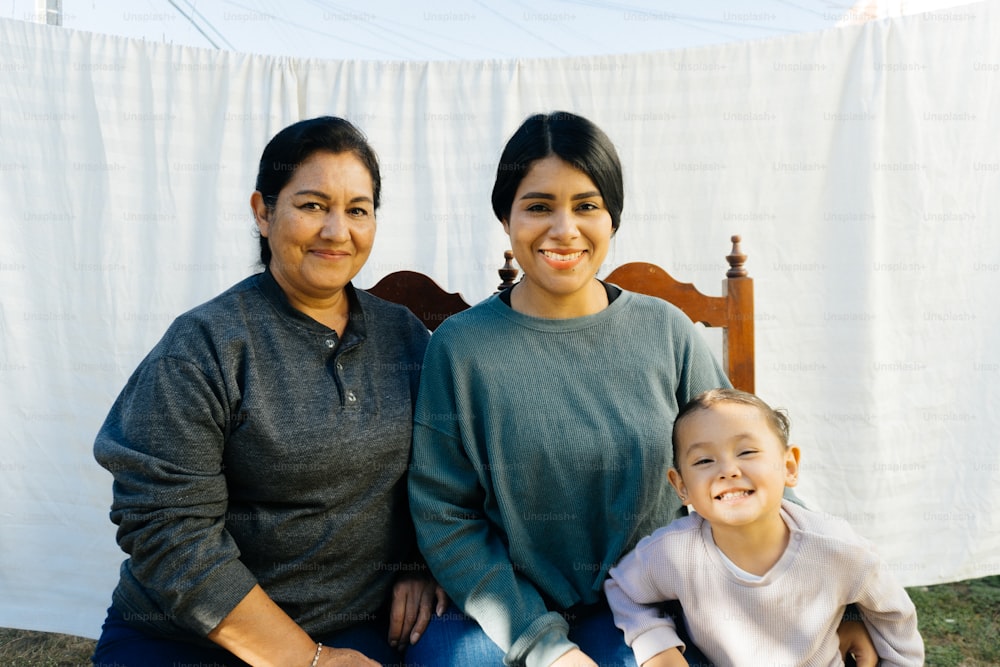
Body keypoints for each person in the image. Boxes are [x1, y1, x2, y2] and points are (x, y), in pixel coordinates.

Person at [91, 116, 444, 667]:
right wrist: (307, 659)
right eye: (312, 206)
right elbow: (166, 529)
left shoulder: (405, 338)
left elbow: (446, 474)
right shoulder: (206, 345)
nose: (337, 230)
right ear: (263, 211)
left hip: (350, 628)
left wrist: (421, 563)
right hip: (191, 638)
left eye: (358, 209)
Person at [605, 388, 925, 666]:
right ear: (681, 486)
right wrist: (657, 645)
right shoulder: (673, 552)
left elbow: (893, 618)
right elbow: (623, 589)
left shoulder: (839, 549)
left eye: (747, 452)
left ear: (789, 467)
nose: (728, 470)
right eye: (704, 460)